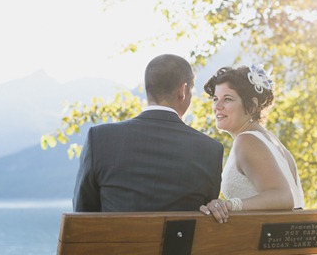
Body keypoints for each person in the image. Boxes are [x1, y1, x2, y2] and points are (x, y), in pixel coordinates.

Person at [73, 54, 224, 212]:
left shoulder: (99, 139)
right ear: (183, 91)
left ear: (148, 88)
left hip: (116, 237)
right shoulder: (210, 150)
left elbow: (83, 214)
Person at [200, 65, 304, 223]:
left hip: (271, 241)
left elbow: (283, 197)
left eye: (227, 99)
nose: (217, 107)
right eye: (215, 99)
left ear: (253, 105)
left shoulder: (247, 140)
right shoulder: (269, 140)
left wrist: (229, 206)